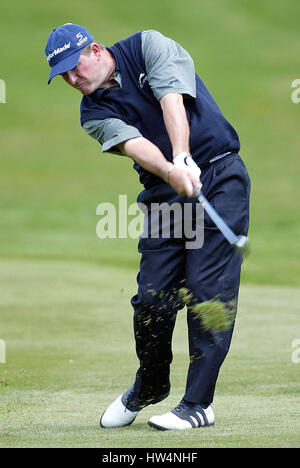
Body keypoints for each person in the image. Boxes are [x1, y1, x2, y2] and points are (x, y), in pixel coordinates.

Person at [45, 23, 250, 431]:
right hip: (165, 193)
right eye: (63, 76)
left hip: (220, 174)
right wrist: (173, 170)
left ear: (96, 50)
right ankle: (150, 385)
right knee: (152, 300)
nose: (72, 79)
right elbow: (135, 146)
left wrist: (182, 153)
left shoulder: (148, 46)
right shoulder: (93, 113)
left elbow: (171, 96)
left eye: (75, 67)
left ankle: (198, 404)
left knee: (208, 292)